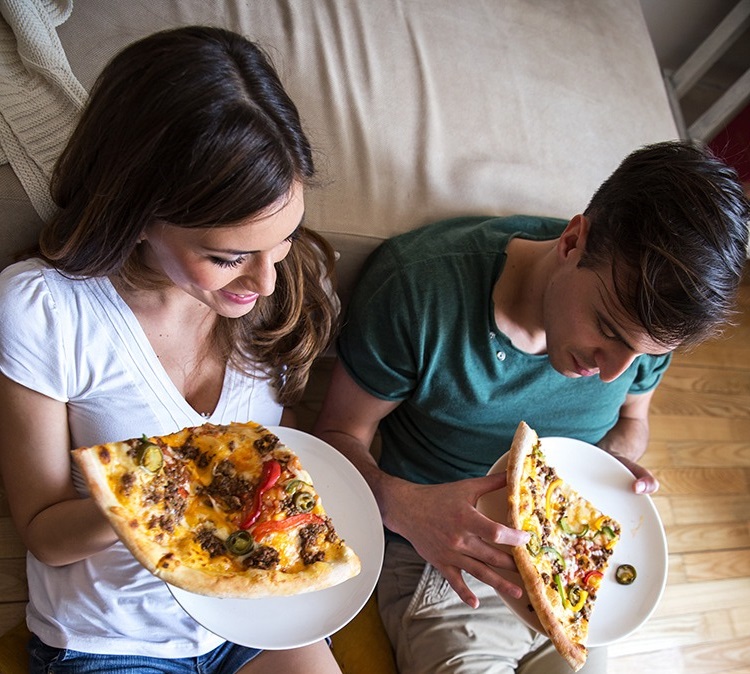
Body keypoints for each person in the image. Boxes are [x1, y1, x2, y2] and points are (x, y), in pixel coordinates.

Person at [313, 140, 750, 674]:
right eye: (608, 331)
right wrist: (405, 507)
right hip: (447, 559)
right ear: (572, 241)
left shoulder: (649, 319)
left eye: (643, 354)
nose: (613, 371)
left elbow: (634, 420)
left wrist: (614, 470)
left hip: (569, 561)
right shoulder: (419, 289)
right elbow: (337, 433)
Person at [0, 26, 344, 674]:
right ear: (140, 215)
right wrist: (157, 495)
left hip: (255, 607)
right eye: (227, 257)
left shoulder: (280, 294)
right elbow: (45, 533)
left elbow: (281, 433)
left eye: (283, 241)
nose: (264, 281)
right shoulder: (46, 310)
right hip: (111, 640)